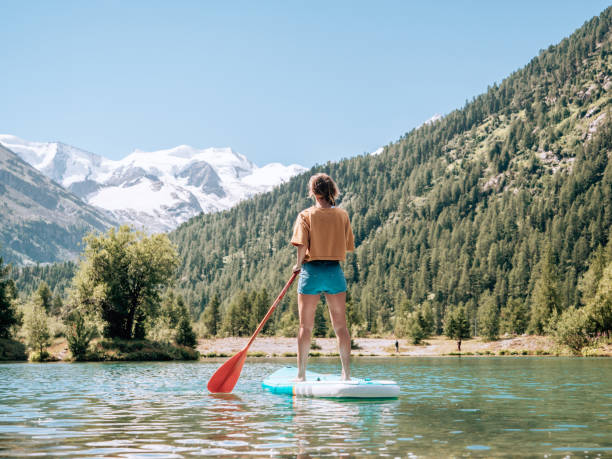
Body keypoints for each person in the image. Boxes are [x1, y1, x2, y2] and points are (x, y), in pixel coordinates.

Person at [291, 173, 354, 381]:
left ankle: (301, 375)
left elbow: (301, 245)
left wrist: (297, 265)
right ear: (331, 191)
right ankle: (346, 374)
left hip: (311, 272)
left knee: (305, 327)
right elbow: (346, 244)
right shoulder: (343, 215)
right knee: (341, 326)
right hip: (334, 271)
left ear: (313, 192)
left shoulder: (305, 215)